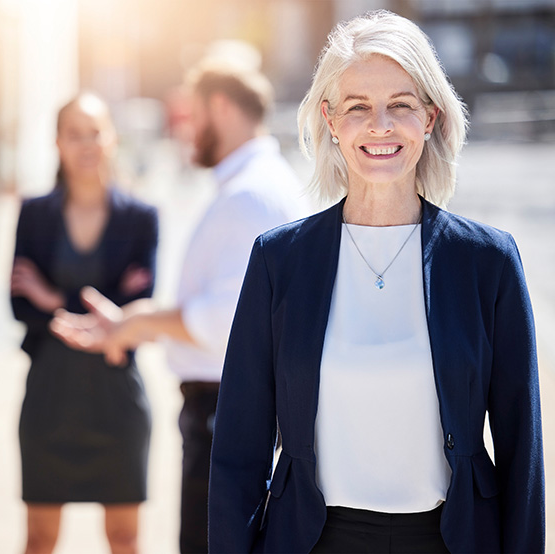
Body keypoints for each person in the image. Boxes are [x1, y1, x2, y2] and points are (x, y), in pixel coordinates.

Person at [208, 10, 544, 554]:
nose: (380, 125)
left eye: (401, 106)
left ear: (430, 119)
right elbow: (238, 453)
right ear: (330, 120)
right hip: (312, 540)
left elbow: (521, 448)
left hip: (450, 540)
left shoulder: (489, 262)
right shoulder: (278, 261)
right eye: (358, 107)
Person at [50, 61, 311, 553]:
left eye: (190, 117)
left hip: (225, 412)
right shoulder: (261, 184)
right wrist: (134, 323)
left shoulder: (250, 195)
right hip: (232, 409)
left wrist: (138, 323)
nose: (185, 131)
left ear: (219, 107)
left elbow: (224, 321)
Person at [10, 92, 158, 554]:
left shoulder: (141, 218)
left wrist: (52, 296)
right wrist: (102, 308)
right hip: (50, 397)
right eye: (75, 134)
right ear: (57, 143)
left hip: (115, 398)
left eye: (95, 132)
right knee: (39, 539)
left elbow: (139, 307)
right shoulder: (34, 214)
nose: (87, 144)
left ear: (112, 138)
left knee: (124, 539)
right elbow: (18, 305)